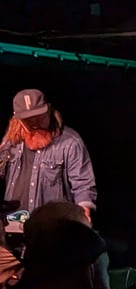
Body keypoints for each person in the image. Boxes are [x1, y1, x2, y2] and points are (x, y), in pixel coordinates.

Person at [1, 89, 96, 222]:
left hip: (51, 229)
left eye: (40, 117)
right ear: (18, 120)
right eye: (28, 120)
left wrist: (84, 209)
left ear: (49, 110)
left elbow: (83, 184)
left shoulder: (70, 143)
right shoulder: (9, 142)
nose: (35, 123)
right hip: (12, 223)